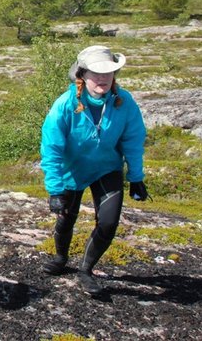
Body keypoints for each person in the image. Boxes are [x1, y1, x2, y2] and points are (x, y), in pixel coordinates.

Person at [40, 45, 149, 296]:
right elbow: (51, 147)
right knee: (66, 218)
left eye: (108, 73)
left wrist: (136, 177)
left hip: (107, 168)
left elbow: (133, 140)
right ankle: (60, 257)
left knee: (109, 223)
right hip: (72, 171)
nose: (102, 79)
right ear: (82, 75)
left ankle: (86, 271)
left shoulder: (125, 102)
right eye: (95, 73)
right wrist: (55, 189)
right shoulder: (65, 104)